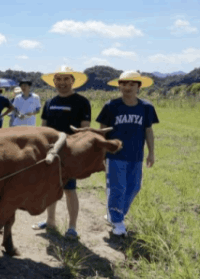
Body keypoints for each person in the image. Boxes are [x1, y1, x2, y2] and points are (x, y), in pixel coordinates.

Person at [97, 71, 159, 236]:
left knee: (134, 187)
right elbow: (102, 130)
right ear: (119, 86)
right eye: (124, 84)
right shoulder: (111, 106)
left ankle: (115, 214)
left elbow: (148, 130)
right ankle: (117, 221)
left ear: (139, 86)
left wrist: (151, 152)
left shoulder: (146, 107)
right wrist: (102, 151)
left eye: (132, 84)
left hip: (136, 155)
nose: (127, 87)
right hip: (115, 155)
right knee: (118, 188)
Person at [34, 66, 91, 238]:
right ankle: (50, 221)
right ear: (54, 82)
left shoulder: (81, 102)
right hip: (51, 152)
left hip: (69, 153)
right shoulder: (50, 102)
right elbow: (43, 128)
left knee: (69, 189)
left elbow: (85, 130)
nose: (62, 83)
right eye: (58, 79)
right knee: (51, 187)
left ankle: (72, 227)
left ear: (73, 81)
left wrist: (78, 152)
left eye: (66, 79)